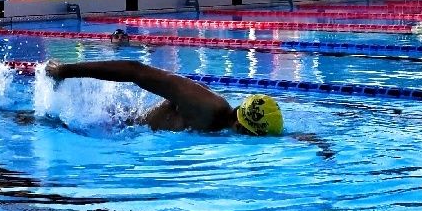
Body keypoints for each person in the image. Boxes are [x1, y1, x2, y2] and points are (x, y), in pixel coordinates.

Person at [45, 59, 283, 136]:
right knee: (44, 122)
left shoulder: (222, 123)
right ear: (241, 128)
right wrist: (65, 71)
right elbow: (136, 71)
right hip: (112, 127)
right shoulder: (204, 105)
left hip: (127, 130)